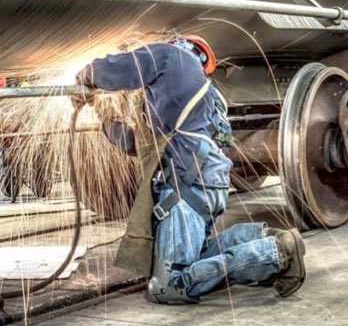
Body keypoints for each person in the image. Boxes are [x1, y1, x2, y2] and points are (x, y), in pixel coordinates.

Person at [72, 35, 306, 304]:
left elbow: (117, 68)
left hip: (186, 186)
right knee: (201, 255)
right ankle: (266, 237)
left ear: (179, 45)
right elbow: (137, 144)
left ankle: (275, 253)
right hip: (208, 185)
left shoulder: (170, 56)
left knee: (168, 285)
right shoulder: (207, 97)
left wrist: (83, 77)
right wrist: (103, 117)